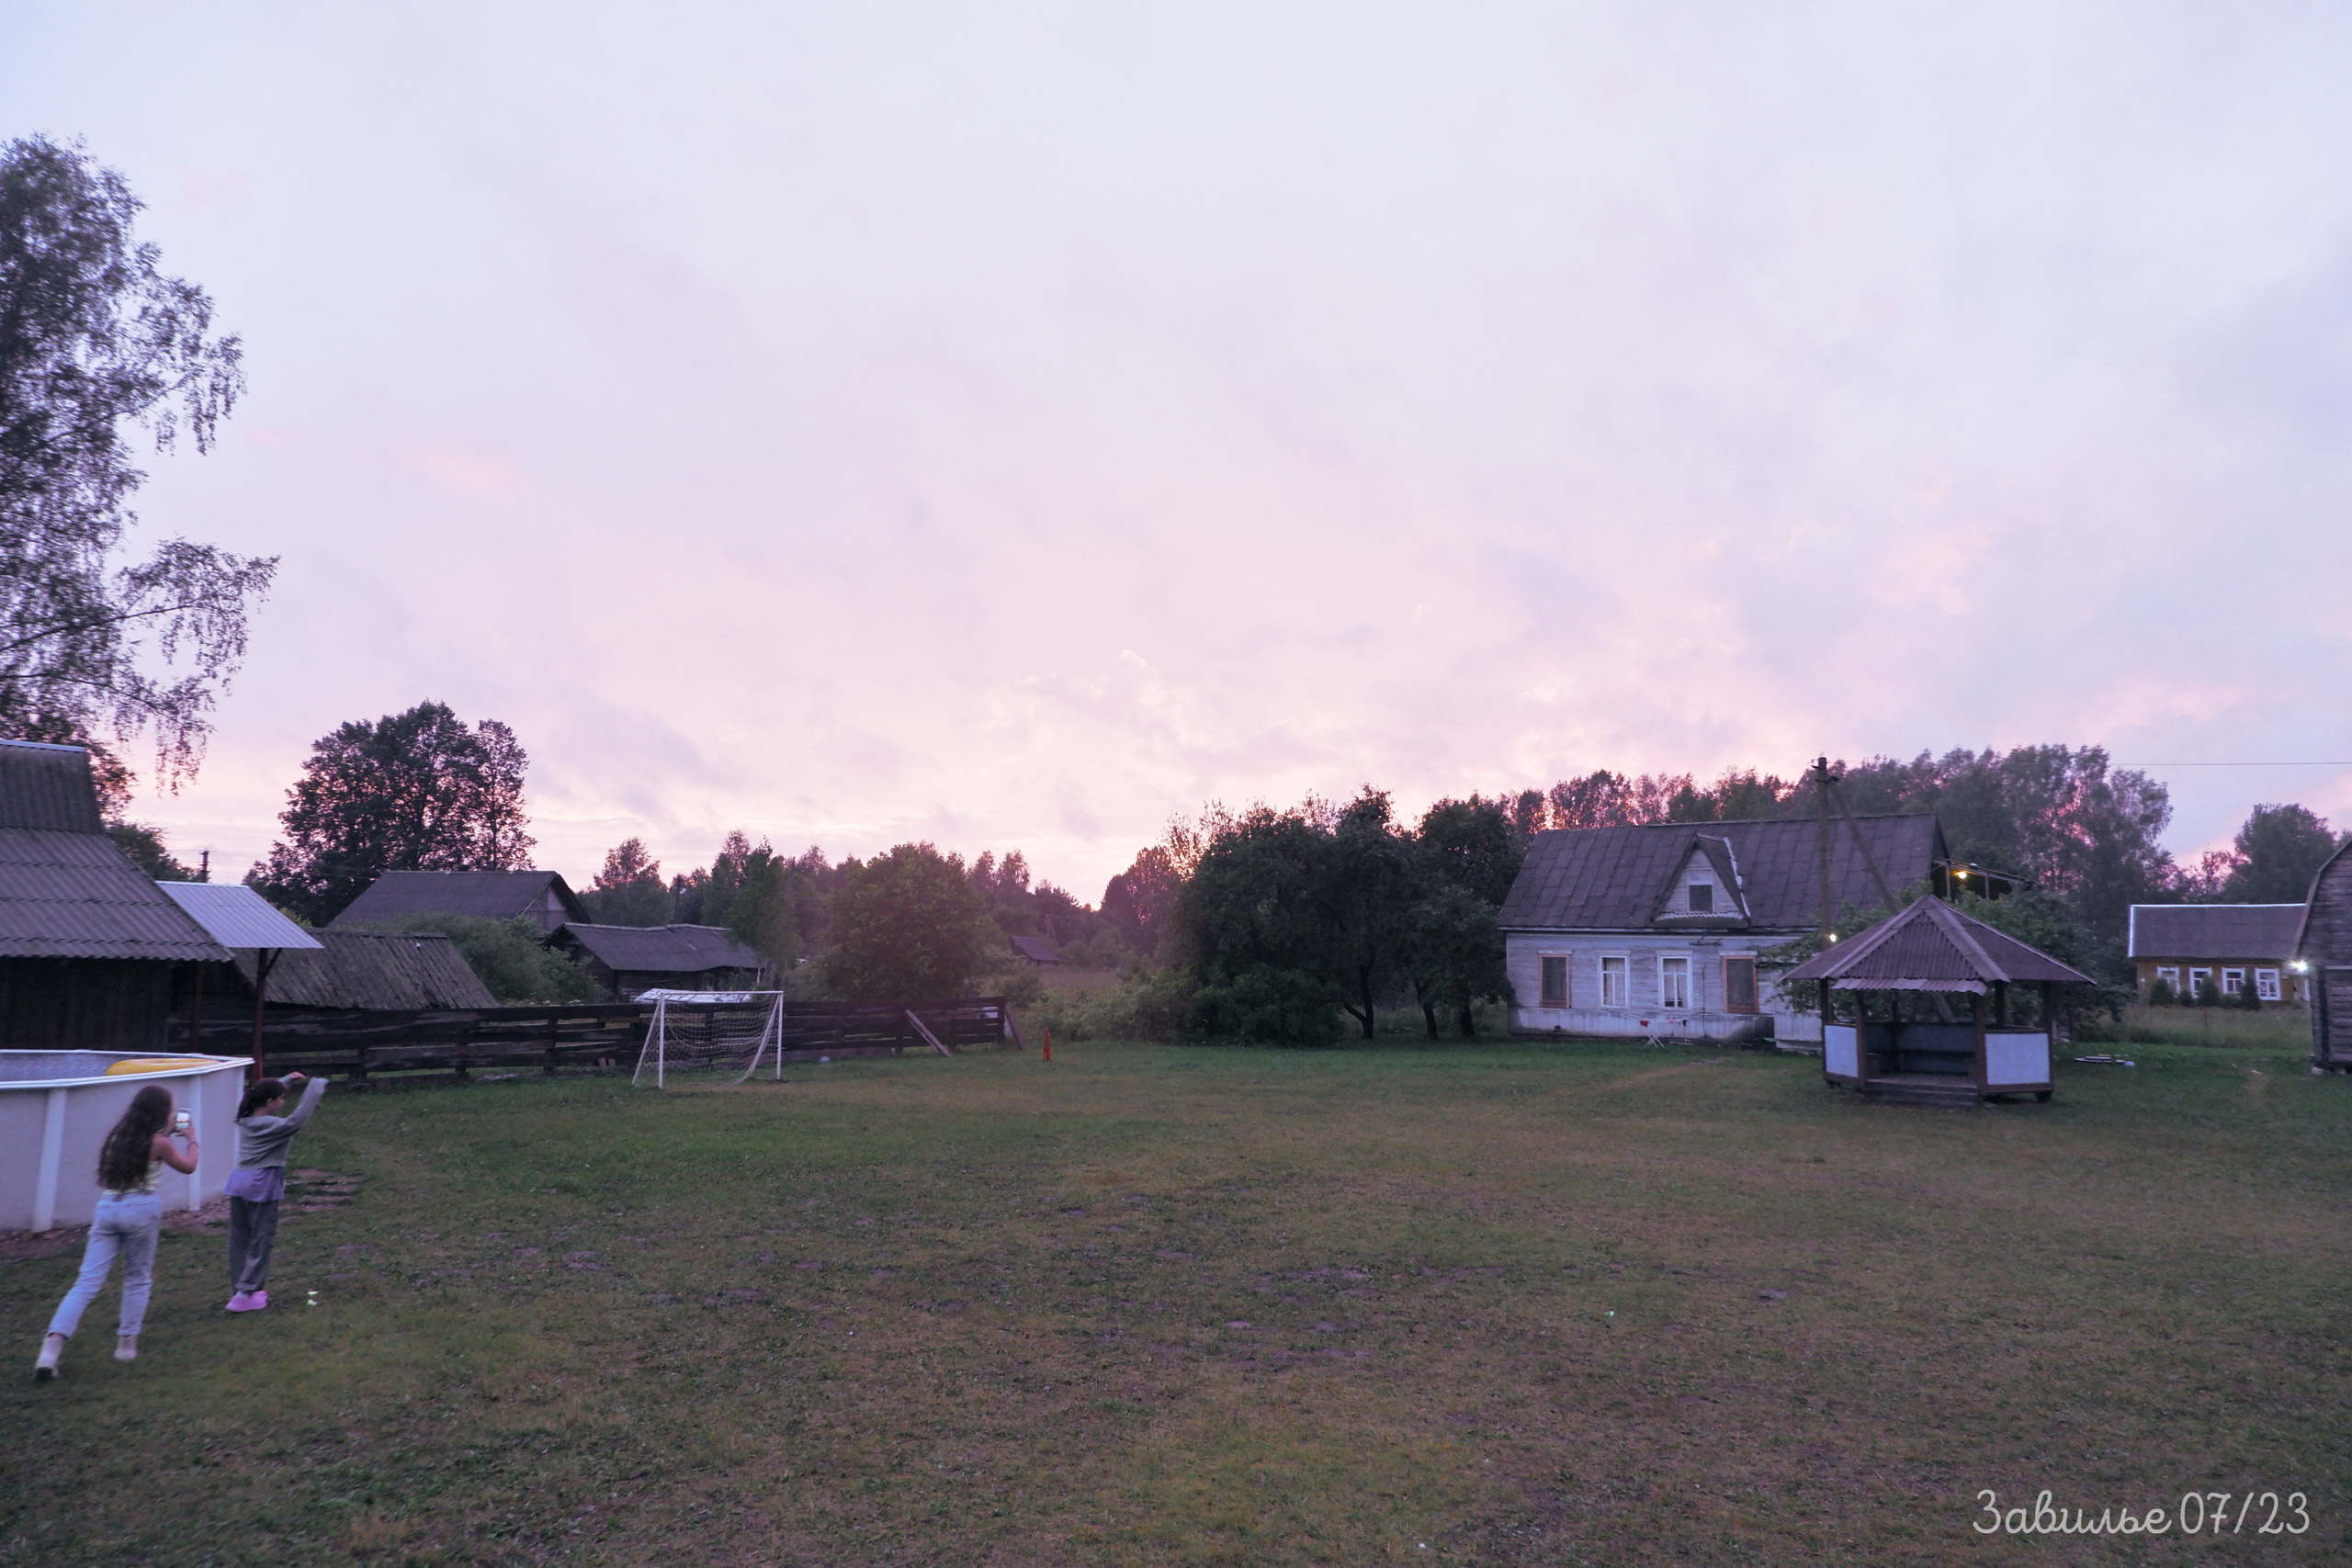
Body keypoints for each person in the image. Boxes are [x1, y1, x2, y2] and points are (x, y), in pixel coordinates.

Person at [34, 1084, 198, 1380]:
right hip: (141, 1209)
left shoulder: (117, 1136)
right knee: (137, 1278)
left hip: (108, 1207)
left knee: (86, 1283)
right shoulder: (160, 1143)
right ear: (161, 1112)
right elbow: (189, 1167)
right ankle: (126, 1345)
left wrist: (166, 1132)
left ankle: (50, 1350)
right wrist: (192, 1139)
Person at [224, 1071, 327, 1312]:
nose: (283, 1102)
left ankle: (240, 1289)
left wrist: (286, 1081)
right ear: (270, 1103)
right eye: (281, 1098)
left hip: (239, 1182)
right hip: (261, 1184)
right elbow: (296, 1121)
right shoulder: (269, 1125)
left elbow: (258, 1093)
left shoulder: (246, 1117)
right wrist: (316, 1086)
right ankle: (247, 1293)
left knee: (240, 1239)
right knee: (261, 1239)